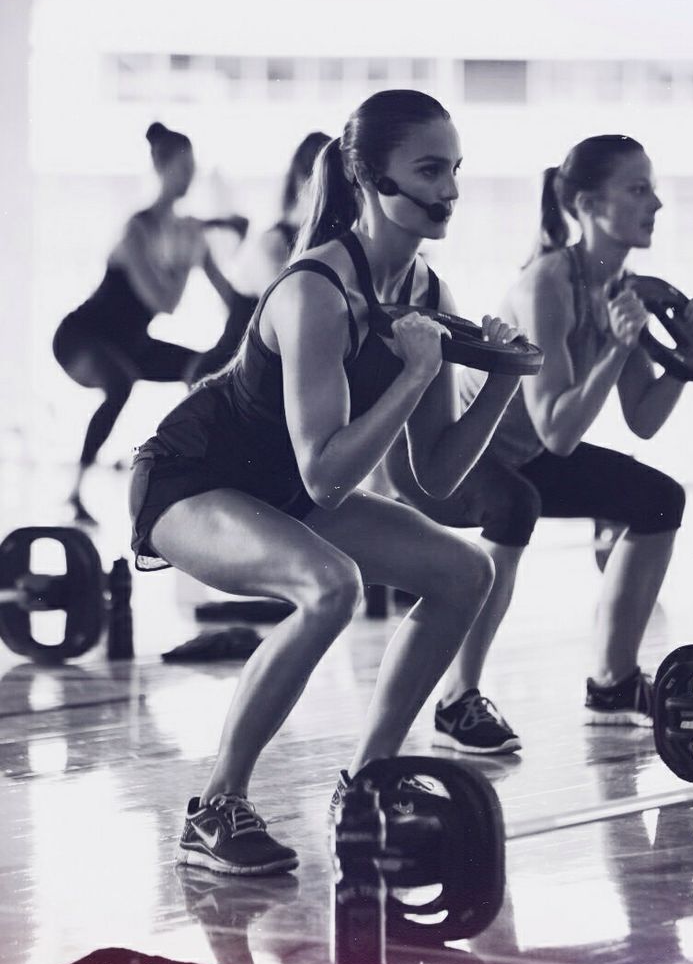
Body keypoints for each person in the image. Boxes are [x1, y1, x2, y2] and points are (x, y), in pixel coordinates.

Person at [128, 89, 522, 876]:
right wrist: (417, 371)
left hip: (288, 488)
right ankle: (216, 809)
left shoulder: (427, 293)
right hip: (190, 479)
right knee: (330, 584)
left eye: (455, 170)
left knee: (462, 571)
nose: (450, 191)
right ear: (372, 177)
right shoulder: (314, 292)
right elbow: (327, 471)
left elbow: (431, 479)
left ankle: (370, 783)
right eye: (430, 170)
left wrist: (503, 382)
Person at [386, 134, 693, 755]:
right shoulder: (549, 284)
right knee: (515, 504)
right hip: (454, 459)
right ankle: (457, 701)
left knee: (658, 500)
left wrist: (685, 361)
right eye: (638, 189)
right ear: (590, 205)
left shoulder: (622, 288)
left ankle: (614, 685)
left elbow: (642, 418)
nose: (657, 204)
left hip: (528, 455)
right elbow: (559, 432)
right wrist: (620, 345)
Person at [53, 122, 239, 524]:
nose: (189, 174)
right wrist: (193, 250)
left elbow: (230, 297)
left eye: (194, 165)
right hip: (81, 338)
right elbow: (165, 301)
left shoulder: (191, 231)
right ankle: (75, 492)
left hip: (133, 343)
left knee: (203, 369)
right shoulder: (137, 228)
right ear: (163, 167)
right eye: (183, 165)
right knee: (121, 382)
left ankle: (197, 476)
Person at [188, 131, 330, 383]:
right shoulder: (272, 243)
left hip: (261, 376)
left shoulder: (326, 243)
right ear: (302, 182)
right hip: (227, 378)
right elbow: (289, 322)